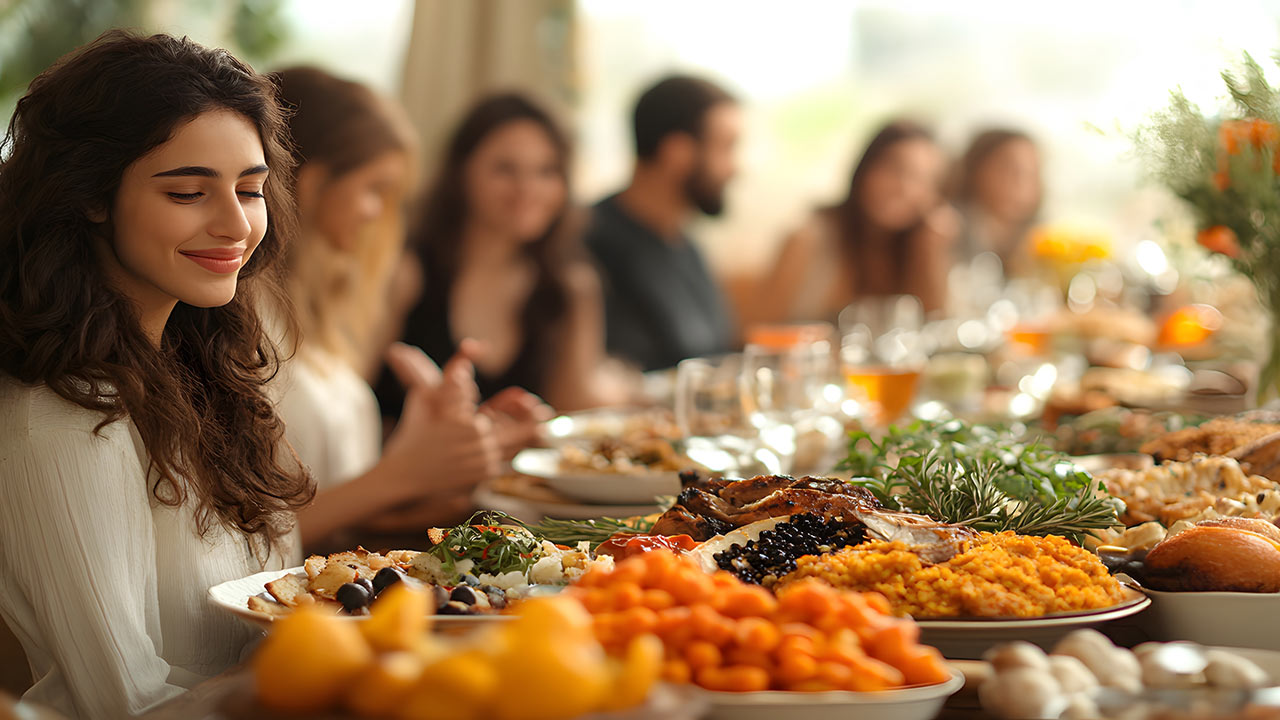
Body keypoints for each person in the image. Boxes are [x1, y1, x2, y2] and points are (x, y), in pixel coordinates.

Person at [0, 32, 311, 717]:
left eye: (251, 189)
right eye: (188, 192)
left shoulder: (196, 367)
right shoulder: (65, 420)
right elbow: (120, 704)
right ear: (90, 195)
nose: (235, 223)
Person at [272, 67, 522, 551]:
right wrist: (403, 475)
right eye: (374, 189)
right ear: (314, 183)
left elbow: (344, 514)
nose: (377, 215)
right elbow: (243, 540)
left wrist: (451, 456)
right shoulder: (241, 325)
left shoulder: (313, 313)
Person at [376, 93, 630, 417]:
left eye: (547, 171)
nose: (528, 188)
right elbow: (349, 397)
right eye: (505, 169)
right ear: (460, 172)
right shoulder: (406, 272)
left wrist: (639, 392)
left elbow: (575, 406)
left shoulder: (571, 286)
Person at [583, 75, 740, 372]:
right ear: (677, 152)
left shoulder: (686, 245)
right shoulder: (589, 241)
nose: (735, 169)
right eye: (726, 148)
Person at [762, 120, 958, 323]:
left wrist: (931, 252)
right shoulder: (808, 238)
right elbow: (765, 330)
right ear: (865, 169)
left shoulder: (919, 245)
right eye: (894, 170)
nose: (904, 189)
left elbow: (938, 323)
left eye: (923, 180)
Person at [953, 128, 1043, 278]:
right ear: (975, 171)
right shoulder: (948, 229)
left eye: (1031, 173)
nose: (1021, 183)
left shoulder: (1040, 240)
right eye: (1010, 170)